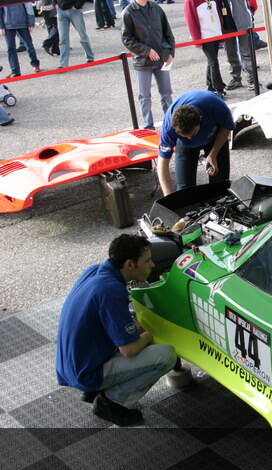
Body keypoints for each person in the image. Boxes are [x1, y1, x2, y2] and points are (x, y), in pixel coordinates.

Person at [55, 234, 176, 426]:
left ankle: (94, 391)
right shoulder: (111, 290)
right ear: (130, 264)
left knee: (135, 335)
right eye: (147, 261)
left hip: (70, 364)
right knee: (167, 355)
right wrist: (149, 335)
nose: (152, 265)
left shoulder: (94, 272)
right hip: (86, 373)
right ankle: (110, 403)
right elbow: (129, 350)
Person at [158, 89, 235, 195]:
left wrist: (213, 154)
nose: (190, 138)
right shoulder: (168, 128)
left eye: (193, 134)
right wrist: (168, 198)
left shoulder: (215, 105)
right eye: (186, 136)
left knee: (220, 186)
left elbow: (227, 128)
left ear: (200, 120)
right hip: (185, 145)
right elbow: (162, 164)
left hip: (214, 137)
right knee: (184, 191)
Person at [121, 0, 175, 130]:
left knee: (167, 93)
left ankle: (171, 123)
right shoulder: (128, 12)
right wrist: (147, 51)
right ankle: (148, 126)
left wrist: (171, 53)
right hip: (142, 62)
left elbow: (168, 33)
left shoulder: (156, 8)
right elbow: (127, 39)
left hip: (162, 59)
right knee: (144, 96)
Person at [184, 0, 226, 95]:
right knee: (213, 62)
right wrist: (197, 39)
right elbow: (190, 20)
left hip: (215, 33)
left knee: (211, 61)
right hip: (205, 36)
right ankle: (218, 88)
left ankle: (211, 85)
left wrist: (221, 32)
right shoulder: (191, 1)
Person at [220, 0, 257, 91]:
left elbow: (252, 3)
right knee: (230, 53)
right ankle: (236, 79)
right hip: (226, 24)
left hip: (243, 20)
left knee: (247, 53)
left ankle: (253, 80)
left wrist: (250, 13)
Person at [0, 2, 41, 77]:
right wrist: (1, 26)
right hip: (8, 25)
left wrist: (31, 22)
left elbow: (29, 7)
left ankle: (35, 64)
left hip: (22, 23)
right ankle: (15, 71)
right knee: (10, 48)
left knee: (29, 45)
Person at [55, 0, 95, 68]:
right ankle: (63, 64)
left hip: (74, 10)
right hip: (61, 10)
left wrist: (78, 5)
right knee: (63, 39)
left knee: (82, 35)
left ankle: (90, 57)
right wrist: (54, 3)